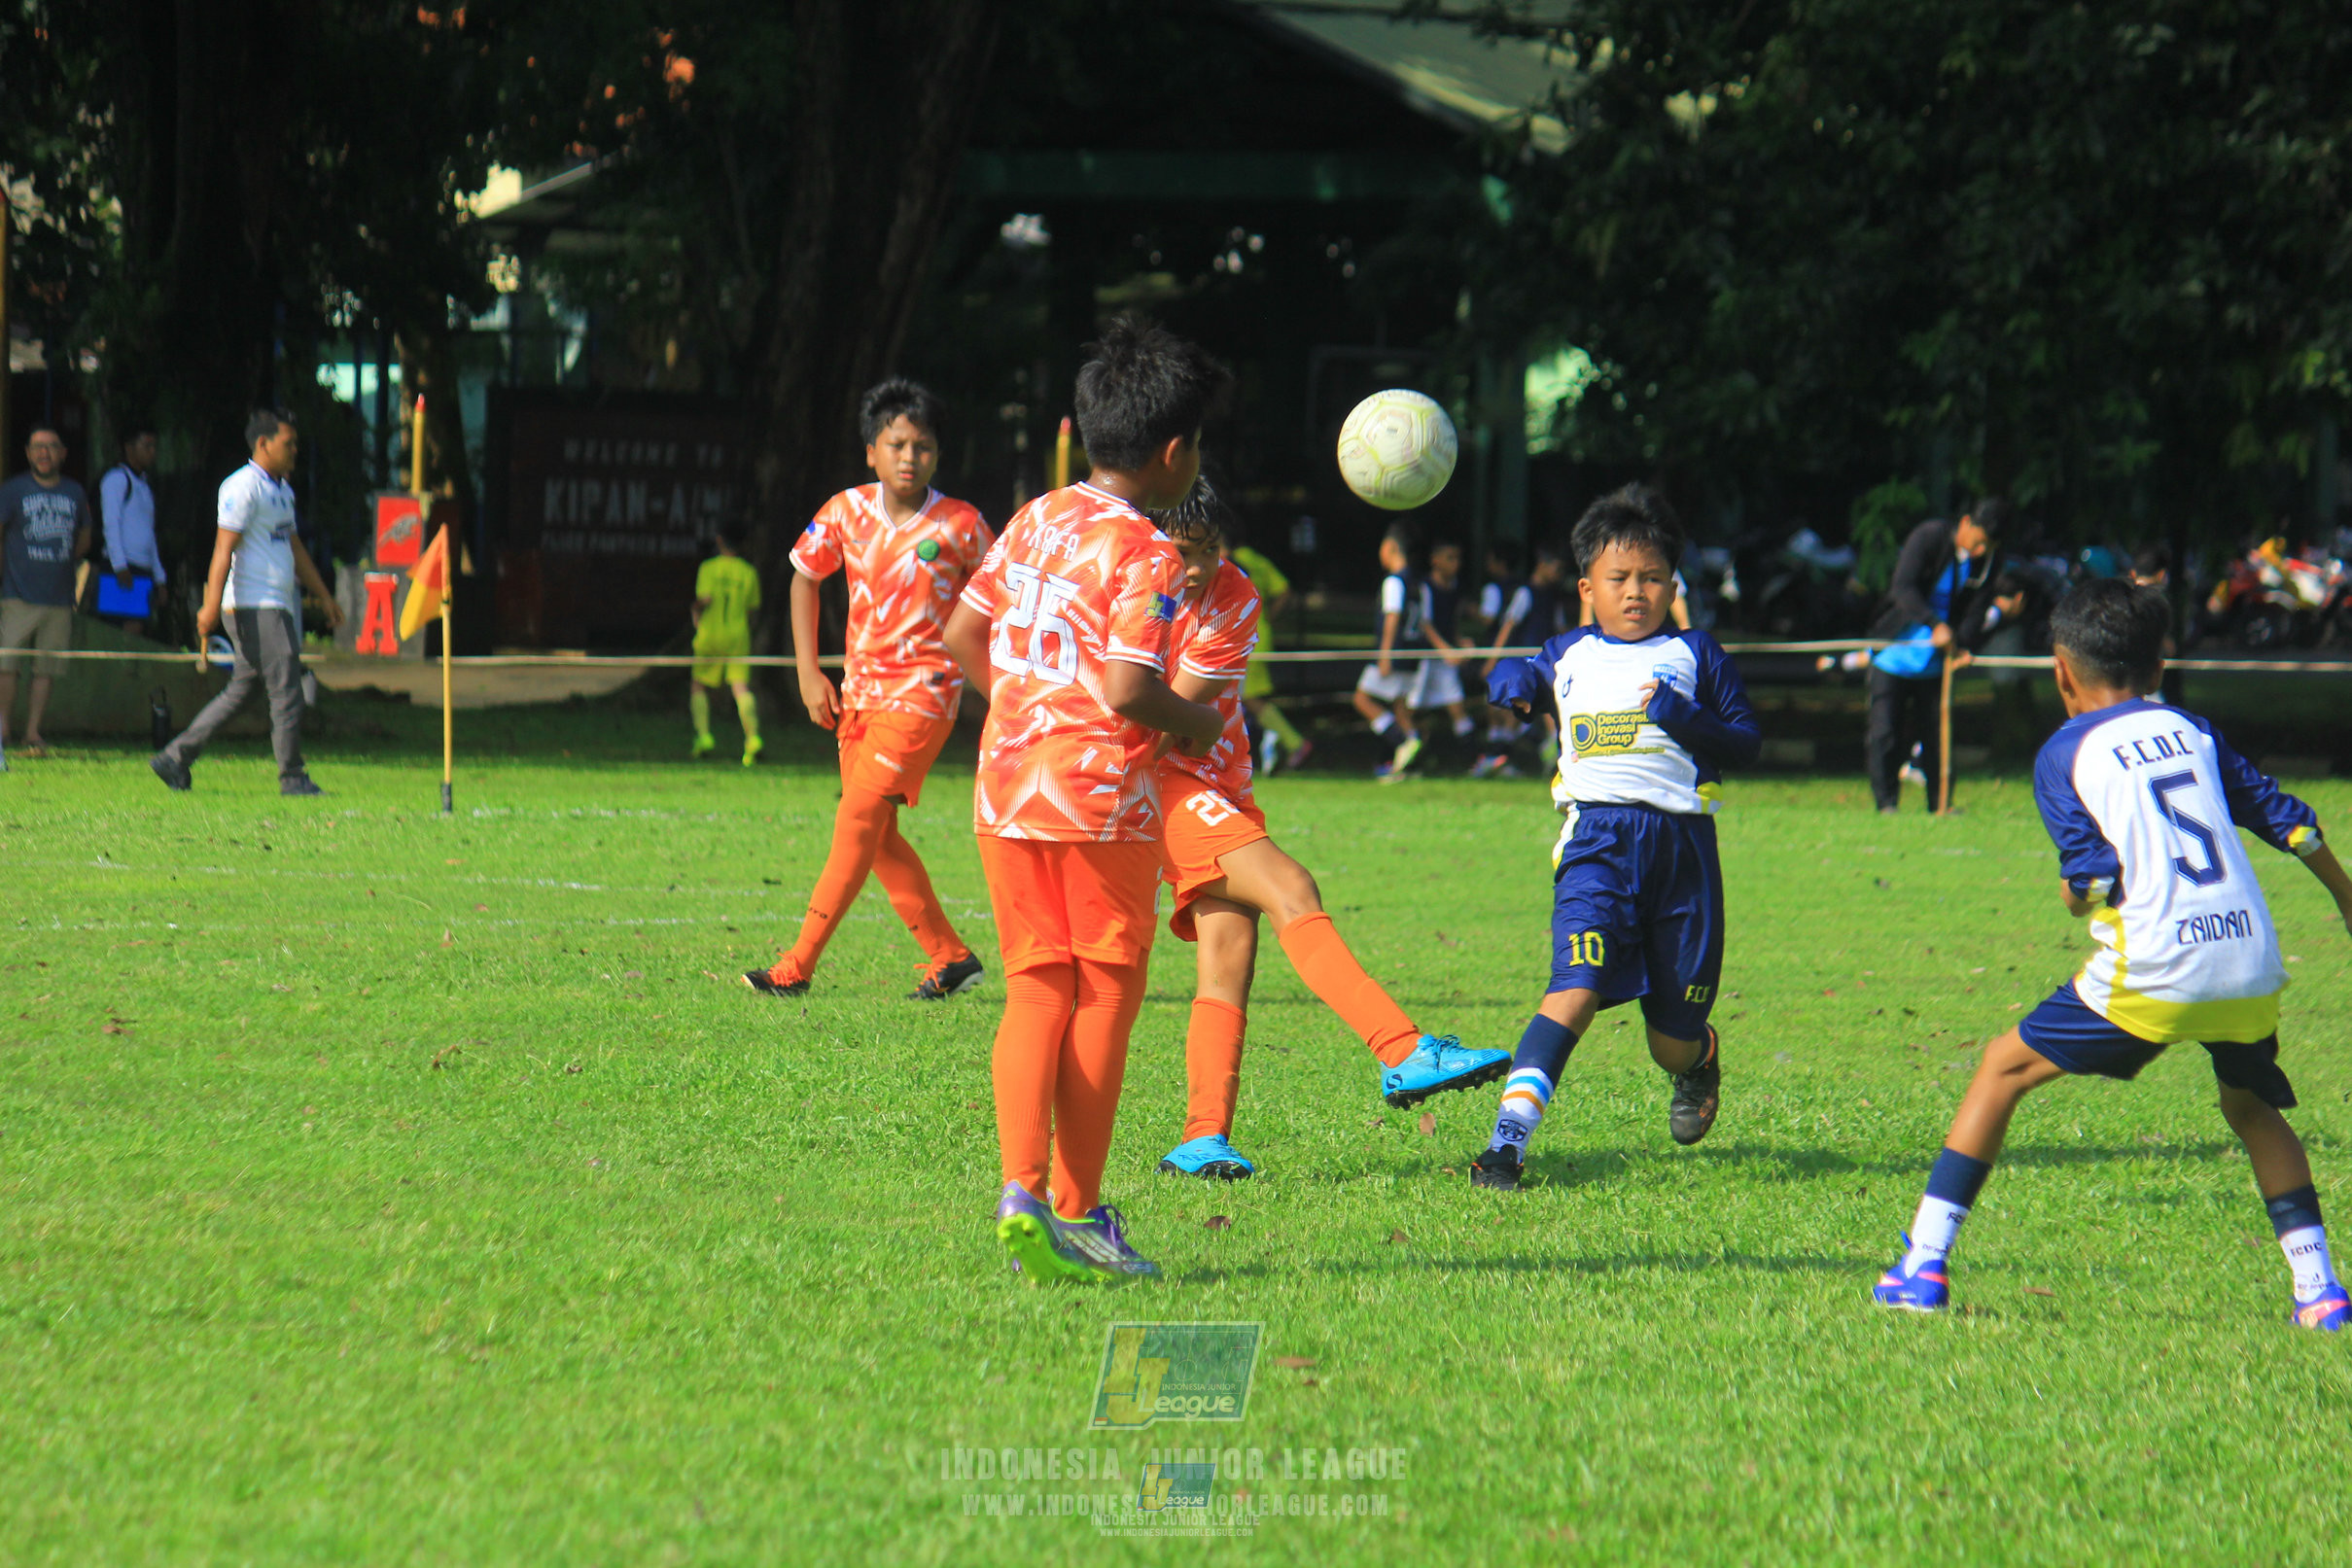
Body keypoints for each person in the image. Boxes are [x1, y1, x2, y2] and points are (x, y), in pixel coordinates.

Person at [1873, 578, 2352, 1328]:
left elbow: (2088, 880)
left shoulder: (2064, 749)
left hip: (2156, 965)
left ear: (2061, 671)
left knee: (2000, 1068)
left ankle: (1920, 1264)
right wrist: (2347, 902)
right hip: (2249, 956)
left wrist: (2076, 895)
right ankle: (2318, 1289)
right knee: (2251, 1106)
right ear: (2158, 666)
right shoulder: (2191, 727)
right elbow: (2288, 821)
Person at [941, 316, 1229, 1283]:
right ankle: (1076, 1209)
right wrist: (1195, 722)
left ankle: (1018, 1189)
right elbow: (1124, 688)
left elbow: (959, 633)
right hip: (1100, 797)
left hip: (1005, 783)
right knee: (1104, 986)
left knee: (1033, 983)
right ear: (1174, 449)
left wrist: (1023, 710)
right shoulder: (1148, 552)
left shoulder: (1035, 516)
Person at [1147, 480, 1509, 1180]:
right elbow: (1153, 725)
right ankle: (1401, 1049)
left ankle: (1200, 1139)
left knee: (1228, 961)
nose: (1195, 566)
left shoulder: (1234, 595)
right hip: (1161, 782)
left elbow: (1177, 712)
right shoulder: (1130, 591)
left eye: (1209, 549)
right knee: (1290, 887)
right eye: (1181, 550)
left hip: (1215, 785)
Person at [1470, 484, 1761, 1191]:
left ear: (1673, 583)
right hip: (1594, 846)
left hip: (1682, 854)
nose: (1636, 592)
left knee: (1669, 1039)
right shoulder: (1566, 654)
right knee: (1572, 989)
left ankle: (1696, 1062)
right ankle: (1505, 1147)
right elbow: (1522, 678)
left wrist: (1682, 716)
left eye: (1653, 578)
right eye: (1619, 579)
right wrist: (1507, 677)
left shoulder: (1695, 653)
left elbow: (1746, 743)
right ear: (1586, 587)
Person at [744, 378, 992, 1002]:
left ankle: (796, 965)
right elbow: (804, 578)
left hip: (925, 697)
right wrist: (807, 672)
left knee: (856, 819)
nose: (911, 456)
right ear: (871, 451)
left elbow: (1005, 601)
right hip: (859, 699)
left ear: (938, 453)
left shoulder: (962, 525)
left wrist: (1003, 686)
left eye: (924, 446)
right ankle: (950, 956)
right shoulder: (845, 511)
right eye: (898, 443)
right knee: (877, 837)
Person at [151, 410, 342, 795]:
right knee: (287, 690)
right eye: (288, 444)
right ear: (263, 444)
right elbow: (223, 549)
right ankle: (292, 777)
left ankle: (175, 757)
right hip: (256, 606)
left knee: (241, 692)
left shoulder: (281, 489)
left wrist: (323, 596)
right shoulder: (241, 487)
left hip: (274, 605)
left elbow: (295, 548)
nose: (295, 451)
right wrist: (209, 606)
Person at [1866, 499, 2006, 814]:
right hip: (1894, 656)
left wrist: (1965, 645)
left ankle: (1940, 804)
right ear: (1967, 523)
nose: (1982, 550)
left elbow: (1976, 609)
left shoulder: (1988, 561)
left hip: (1937, 663)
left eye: (1989, 545)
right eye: (1980, 541)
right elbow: (1903, 588)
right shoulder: (1928, 536)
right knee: (1885, 733)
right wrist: (1934, 624)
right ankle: (1886, 805)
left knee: (1937, 737)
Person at [0, 426, 95, 756]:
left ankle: (33, 732)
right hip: (16, 595)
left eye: (52, 447)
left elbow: (85, 533)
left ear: (63, 453)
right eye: (38, 447)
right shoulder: (12, 490)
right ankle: (3, 728)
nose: (45, 453)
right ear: (27, 453)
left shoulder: (74, 492)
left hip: (58, 597)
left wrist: (70, 560)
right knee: (7, 663)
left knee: (46, 669)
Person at [1472, 540, 1571, 778]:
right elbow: (1508, 626)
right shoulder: (1526, 593)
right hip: (1526, 664)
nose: (1558, 575)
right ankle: (1503, 758)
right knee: (1508, 713)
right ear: (1543, 565)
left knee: (1533, 713)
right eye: (1556, 569)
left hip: (1548, 662)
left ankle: (1509, 757)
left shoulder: (1552, 596)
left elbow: (1560, 627)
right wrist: (1491, 660)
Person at [1223, 526, 1309, 775]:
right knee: (1244, 698)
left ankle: (1294, 742)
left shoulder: (1229, 562)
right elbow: (1284, 590)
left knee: (1249, 698)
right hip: (1260, 632)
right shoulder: (1257, 561)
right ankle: (1269, 745)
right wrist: (1268, 616)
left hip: (1246, 636)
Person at [687, 520, 762, 764]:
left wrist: (695, 611)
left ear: (719, 540)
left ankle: (704, 735)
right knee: (740, 687)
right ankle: (752, 739)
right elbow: (752, 610)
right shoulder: (748, 572)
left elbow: (705, 598)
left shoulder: (708, 568)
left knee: (699, 685)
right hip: (738, 634)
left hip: (710, 634)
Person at [96, 427, 164, 636]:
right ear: (129, 448)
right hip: (122, 569)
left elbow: (149, 533)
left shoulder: (144, 485)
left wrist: (160, 577)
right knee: (118, 633)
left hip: (142, 568)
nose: (152, 451)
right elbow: (111, 524)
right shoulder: (116, 479)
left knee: (137, 629)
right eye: (147, 446)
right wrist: (119, 566)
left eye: (154, 446)